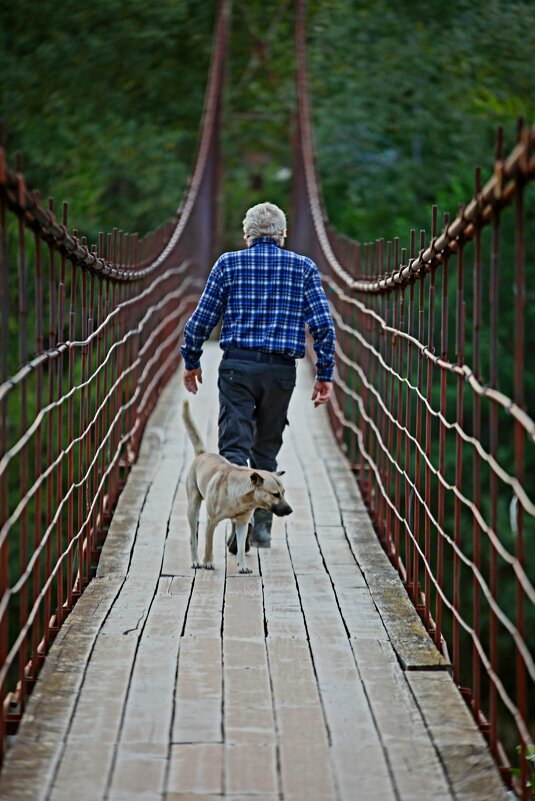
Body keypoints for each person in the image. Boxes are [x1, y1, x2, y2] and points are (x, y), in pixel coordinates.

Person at [180, 201, 335, 550]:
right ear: (282, 235)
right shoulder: (304, 268)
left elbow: (201, 320)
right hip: (280, 371)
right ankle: (261, 526)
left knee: (234, 445)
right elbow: (324, 326)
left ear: (247, 235)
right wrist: (324, 373)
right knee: (267, 446)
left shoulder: (228, 264)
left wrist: (191, 360)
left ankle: (240, 526)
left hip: (237, 366)